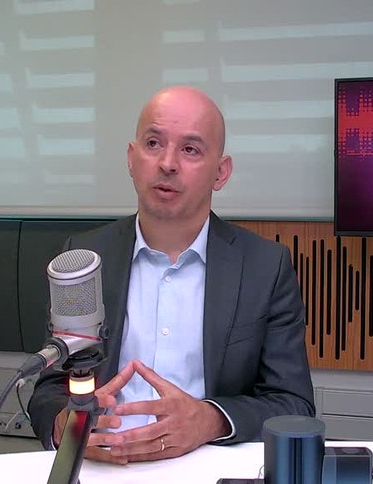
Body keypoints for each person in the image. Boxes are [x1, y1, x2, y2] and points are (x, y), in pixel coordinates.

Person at [28, 86, 315, 464]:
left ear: (221, 172)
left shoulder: (264, 266)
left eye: (190, 149)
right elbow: (50, 387)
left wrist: (210, 419)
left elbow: (293, 404)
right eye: (153, 143)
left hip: (206, 466)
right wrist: (67, 425)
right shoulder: (85, 258)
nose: (167, 163)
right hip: (101, 467)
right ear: (131, 158)